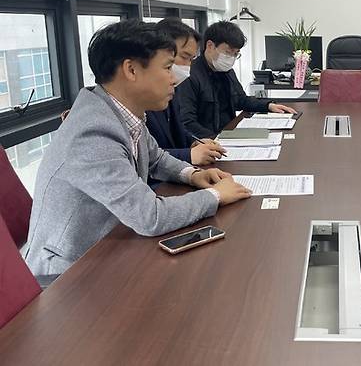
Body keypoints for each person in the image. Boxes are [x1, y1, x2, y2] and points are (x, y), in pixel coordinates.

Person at [24, 20, 252, 275]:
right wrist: (216, 195)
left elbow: (155, 158)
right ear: (131, 70)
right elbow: (149, 217)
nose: (174, 78)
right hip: (70, 273)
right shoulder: (92, 132)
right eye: (167, 67)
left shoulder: (119, 110)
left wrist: (194, 174)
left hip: (114, 243)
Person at [177, 21, 296, 138]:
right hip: (209, 141)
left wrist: (268, 105)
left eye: (236, 54)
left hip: (229, 133)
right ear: (210, 46)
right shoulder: (190, 75)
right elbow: (187, 122)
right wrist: (215, 141)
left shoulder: (227, 71)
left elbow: (241, 100)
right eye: (228, 52)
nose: (231, 58)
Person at [145, 18, 224, 165]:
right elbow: (145, 156)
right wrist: (188, 154)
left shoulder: (171, 88)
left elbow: (178, 130)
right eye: (184, 57)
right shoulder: (143, 98)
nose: (188, 67)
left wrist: (195, 142)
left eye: (192, 59)